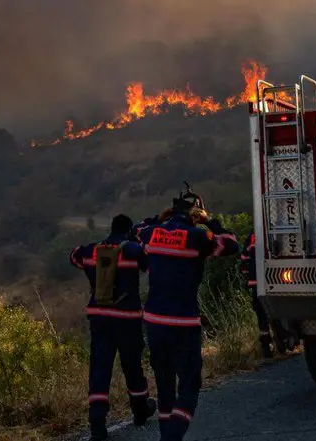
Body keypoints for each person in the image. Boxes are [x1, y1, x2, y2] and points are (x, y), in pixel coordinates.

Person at [137, 189, 240, 441]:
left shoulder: (151, 234)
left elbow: (137, 228)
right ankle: (171, 438)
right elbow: (231, 243)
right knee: (190, 386)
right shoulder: (198, 237)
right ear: (195, 214)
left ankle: (166, 435)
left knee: (164, 388)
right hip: (183, 322)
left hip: (154, 322)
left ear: (171, 212)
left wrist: (161, 218)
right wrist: (209, 221)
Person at [69, 214, 157, 439]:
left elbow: (74, 257)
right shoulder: (133, 250)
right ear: (128, 230)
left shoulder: (91, 250)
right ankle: (140, 410)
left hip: (99, 319)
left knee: (99, 370)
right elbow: (150, 265)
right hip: (127, 318)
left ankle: (97, 424)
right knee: (132, 366)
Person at [238, 232, 295, 357]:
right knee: (278, 311)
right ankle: (284, 338)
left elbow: (244, 261)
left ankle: (266, 349)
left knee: (262, 317)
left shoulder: (252, 236)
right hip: (277, 281)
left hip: (257, 284)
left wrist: (247, 276)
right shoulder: (278, 233)